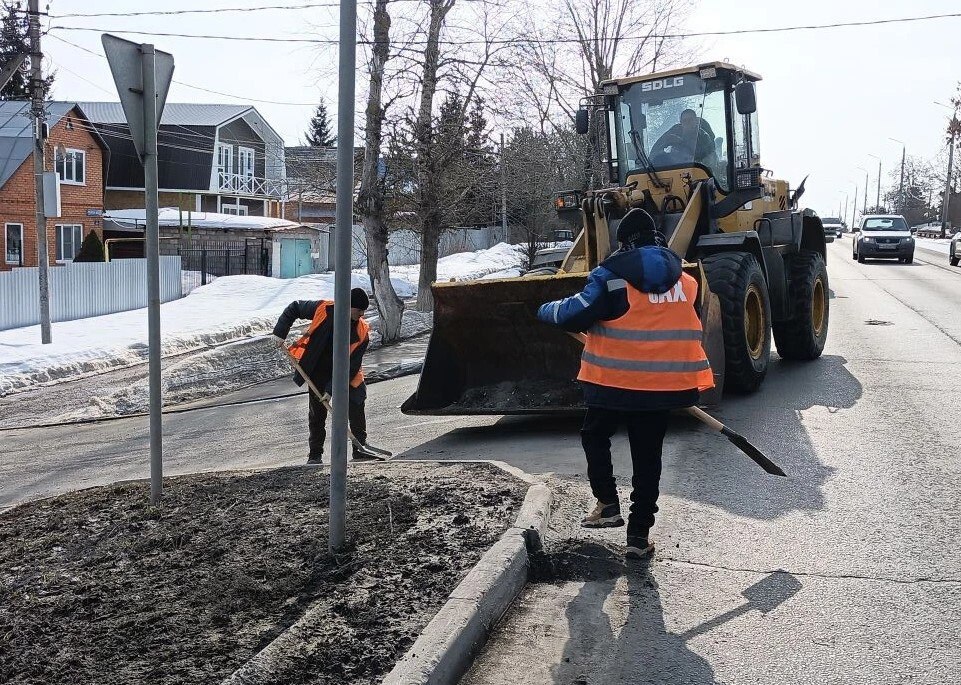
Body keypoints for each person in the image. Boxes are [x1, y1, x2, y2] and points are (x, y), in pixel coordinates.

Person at [536, 208, 714, 558]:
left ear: (624, 243)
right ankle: (637, 537)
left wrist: (542, 309)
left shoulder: (611, 278)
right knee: (649, 458)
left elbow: (574, 313)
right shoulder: (687, 281)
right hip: (665, 385)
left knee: (595, 435)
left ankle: (607, 503)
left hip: (613, 383)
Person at [272, 287, 374, 465]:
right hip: (319, 368)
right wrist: (280, 332)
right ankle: (315, 455)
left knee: (356, 402)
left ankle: (360, 448)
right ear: (349, 306)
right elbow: (295, 307)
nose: (362, 314)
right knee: (317, 413)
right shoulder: (324, 309)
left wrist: (331, 388)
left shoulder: (362, 331)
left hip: (347, 371)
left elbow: (351, 365)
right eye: (359, 310)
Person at [651, 108, 717, 166]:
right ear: (681, 122)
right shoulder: (674, 131)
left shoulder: (703, 136)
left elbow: (706, 156)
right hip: (675, 168)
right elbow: (657, 148)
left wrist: (681, 142)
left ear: (696, 121)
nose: (687, 123)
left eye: (690, 120)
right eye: (685, 121)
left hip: (697, 169)